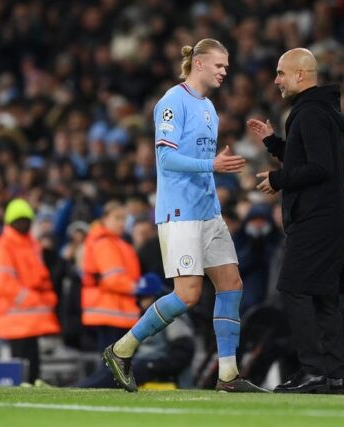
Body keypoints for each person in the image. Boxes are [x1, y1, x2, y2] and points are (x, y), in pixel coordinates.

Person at [103, 38, 265, 393]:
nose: (225, 71)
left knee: (231, 284)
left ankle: (228, 376)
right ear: (201, 63)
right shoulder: (172, 102)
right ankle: (122, 349)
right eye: (220, 65)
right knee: (188, 294)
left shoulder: (209, 107)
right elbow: (166, 159)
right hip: (180, 212)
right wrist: (212, 164)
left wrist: (214, 170)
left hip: (209, 211)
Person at [247, 48, 344, 394]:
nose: (276, 80)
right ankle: (333, 375)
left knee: (294, 289)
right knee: (324, 297)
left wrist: (278, 180)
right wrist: (273, 143)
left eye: (282, 73)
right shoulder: (320, 110)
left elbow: (319, 168)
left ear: (302, 74)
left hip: (315, 220)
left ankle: (313, 370)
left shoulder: (309, 113)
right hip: (330, 219)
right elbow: (308, 159)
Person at [76, 273, 194, 389]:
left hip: (157, 369)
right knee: (110, 370)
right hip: (143, 363)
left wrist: (152, 367)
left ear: (157, 297)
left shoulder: (171, 316)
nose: (142, 302)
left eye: (146, 297)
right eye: (140, 297)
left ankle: (81, 389)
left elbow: (183, 351)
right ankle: (80, 387)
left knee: (114, 375)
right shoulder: (145, 319)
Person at [0, 198, 61, 383]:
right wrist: (31, 298)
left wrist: (47, 297)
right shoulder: (3, 247)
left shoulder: (32, 245)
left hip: (32, 315)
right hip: (16, 315)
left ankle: (33, 383)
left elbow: (41, 276)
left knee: (32, 359)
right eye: (19, 220)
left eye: (26, 220)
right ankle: (26, 385)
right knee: (22, 360)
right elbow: (2, 282)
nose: (24, 224)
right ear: (10, 223)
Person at [81, 201, 142, 351]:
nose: (121, 223)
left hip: (117, 311)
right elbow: (112, 280)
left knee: (116, 367)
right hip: (111, 311)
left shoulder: (117, 243)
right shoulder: (105, 243)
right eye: (117, 218)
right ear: (104, 219)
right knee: (114, 367)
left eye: (124, 219)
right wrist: (139, 288)